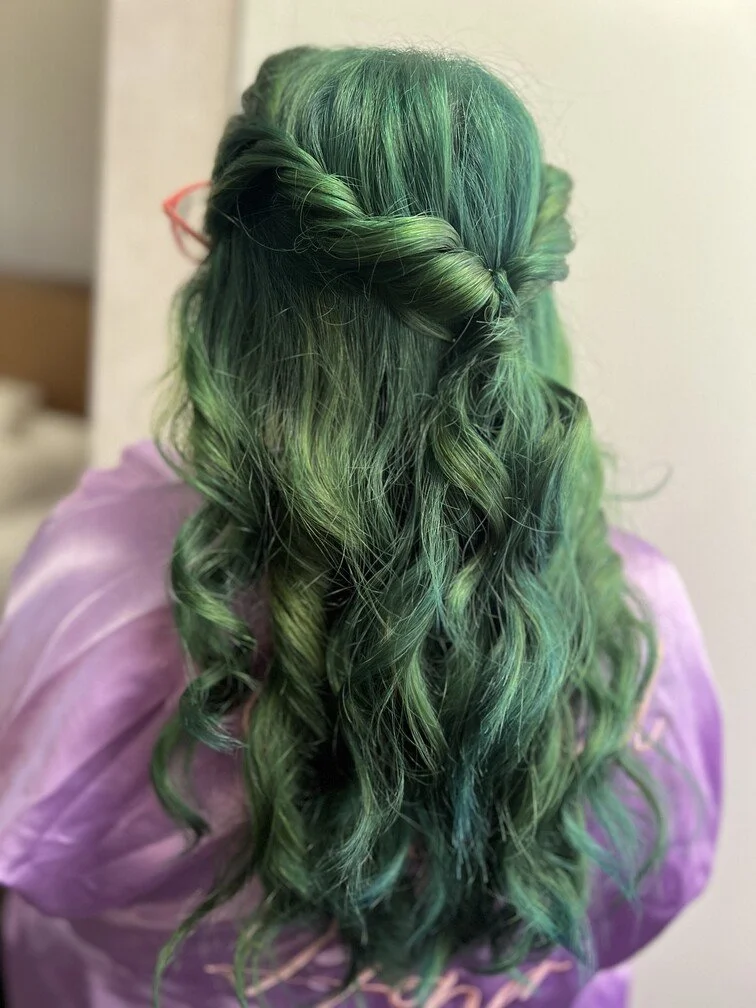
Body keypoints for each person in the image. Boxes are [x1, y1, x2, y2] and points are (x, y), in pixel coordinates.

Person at [0, 45, 722, 1008]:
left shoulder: (98, 587)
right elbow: (649, 890)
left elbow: (36, 856)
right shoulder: (641, 619)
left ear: (233, 308)